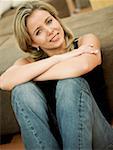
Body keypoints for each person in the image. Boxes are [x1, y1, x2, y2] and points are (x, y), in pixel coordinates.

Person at [0, 0, 113, 149]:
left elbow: (83, 65)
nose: (50, 31)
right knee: (22, 91)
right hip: (56, 144)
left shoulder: (85, 41)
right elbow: (4, 81)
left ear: (57, 20)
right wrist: (59, 57)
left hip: (100, 141)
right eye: (38, 32)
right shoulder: (27, 62)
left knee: (69, 84)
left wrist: (32, 74)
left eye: (49, 21)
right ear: (33, 43)